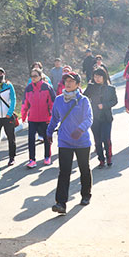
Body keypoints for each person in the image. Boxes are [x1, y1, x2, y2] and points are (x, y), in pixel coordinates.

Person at [47, 72, 93, 215]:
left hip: (82, 141)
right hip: (65, 141)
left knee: (84, 168)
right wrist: (49, 132)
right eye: (66, 81)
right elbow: (54, 118)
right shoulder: (59, 100)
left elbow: (89, 118)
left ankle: (86, 195)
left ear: (78, 84)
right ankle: (61, 203)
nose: (68, 83)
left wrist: (80, 129)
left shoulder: (83, 100)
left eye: (71, 81)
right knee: (64, 172)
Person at [83, 69, 118, 168]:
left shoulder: (111, 88)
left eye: (99, 76)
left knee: (106, 138)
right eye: (95, 76)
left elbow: (114, 101)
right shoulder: (91, 87)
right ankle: (101, 160)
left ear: (104, 76)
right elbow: (84, 98)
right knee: (97, 140)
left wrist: (105, 105)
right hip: (94, 117)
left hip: (106, 117)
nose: (97, 78)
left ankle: (109, 157)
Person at [21, 68, 56, 168]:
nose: (33, 78)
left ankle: (47, 157)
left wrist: (52, 116)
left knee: (46, 138)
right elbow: (25, 103)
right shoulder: (28, 88)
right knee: (31, 139)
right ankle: (32, 160)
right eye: (32, 76)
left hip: (45, 118)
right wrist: (23, 116)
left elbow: (52, 103)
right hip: (32, 119)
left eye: (35, 76)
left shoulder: (47, 87)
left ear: (40, 76)